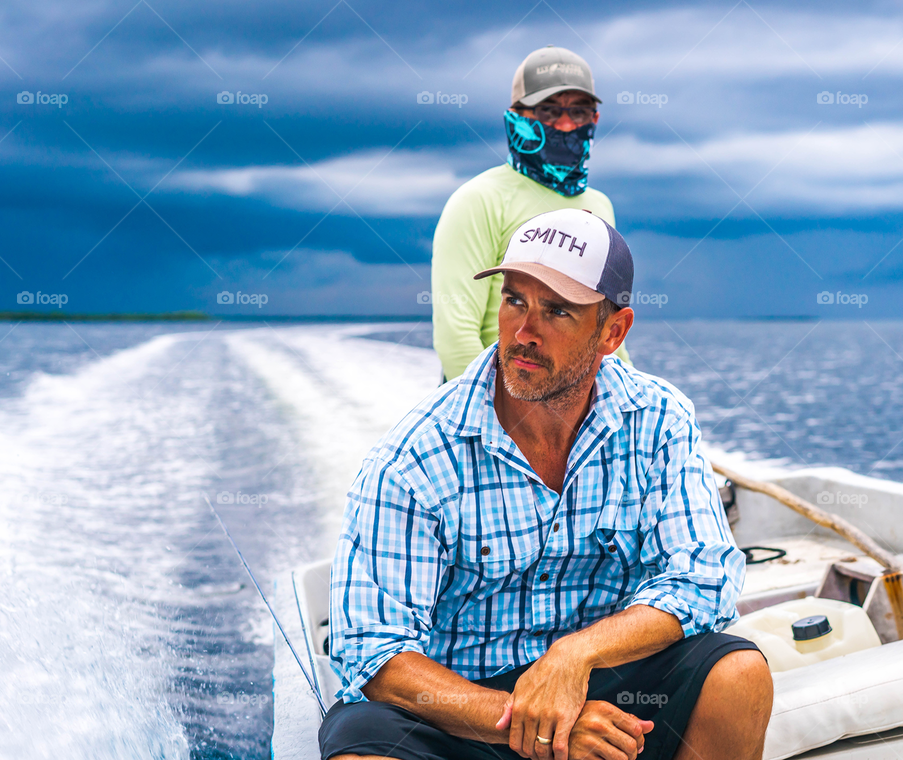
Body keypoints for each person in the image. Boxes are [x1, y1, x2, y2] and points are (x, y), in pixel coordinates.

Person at [320, 208, 773, 760]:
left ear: (613, 332)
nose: (524, 332)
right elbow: (374, 652)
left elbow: (704, 576)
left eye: (557, 311)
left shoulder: (657, 420)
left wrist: (573, 656)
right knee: (360, 750)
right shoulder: (415, 456)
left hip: (602, 683)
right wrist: (525, 720)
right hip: (461, 708)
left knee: (738, 675)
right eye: (515, 301)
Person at [432, 45, 630, 382]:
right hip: (497, 407)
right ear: (517, 116)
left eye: (579, 112)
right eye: (549, 111)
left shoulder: (601, 207)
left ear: (594, 119)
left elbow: (608, 331)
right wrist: (498, 421)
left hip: (578, 415)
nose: (566, 125)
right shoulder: (479, 199)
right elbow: (456, 336)